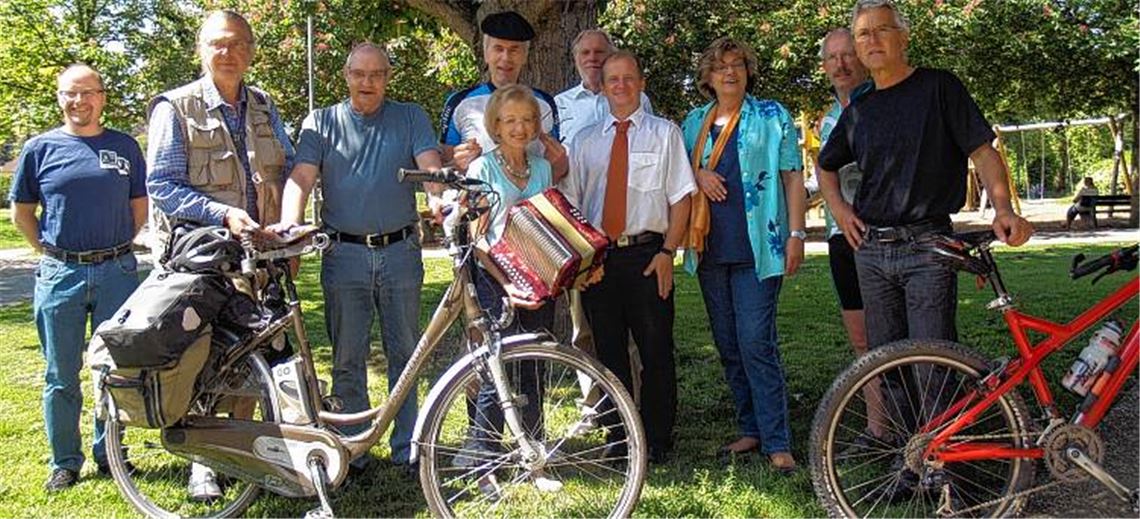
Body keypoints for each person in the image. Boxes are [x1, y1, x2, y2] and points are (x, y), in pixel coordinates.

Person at [817, 0, 1033, 496]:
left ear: (903, 37)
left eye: (882, 30)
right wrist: (842, 212)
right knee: (887, 364)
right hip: (872, 250)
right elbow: (826, 167)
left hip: (928, 246)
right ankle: (910, 464)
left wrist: (1003, 208)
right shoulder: (860, 109)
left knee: (935, 363)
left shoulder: (939, 88)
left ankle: (949, 473)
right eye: (863, 33)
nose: (872, 41)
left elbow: (983, 152)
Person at [145, 9, 294, 500]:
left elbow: (288, 166)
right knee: (203, 359)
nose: (227, 52)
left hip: (260, 260)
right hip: (204, 264)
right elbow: (162, 185)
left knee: (253, 357)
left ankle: (242, 450)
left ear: (251, 50)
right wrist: (222, 214)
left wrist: (288, 225)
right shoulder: (175, 107)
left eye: (237, 43)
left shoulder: (264, 106)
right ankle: (201, 463)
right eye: (217, 43)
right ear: (201, 50)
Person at [275, 43, 442, 475]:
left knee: (406, 353)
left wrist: (441, 199)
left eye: (376, 74)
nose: (367, 83)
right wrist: (290, 224)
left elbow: (430, 168)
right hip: (343, 254)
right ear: (346, 75)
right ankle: (354, 449)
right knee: (347, 357)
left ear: (388, 77)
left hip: (400, 253)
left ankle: (408, 447)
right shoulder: (320, 122)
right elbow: (301, 177)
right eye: (359, 74)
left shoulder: (411, 117)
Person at [9, 64, 146, 491]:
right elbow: (22, 213)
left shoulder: (124, 146)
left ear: (102, 97)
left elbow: (139, 207)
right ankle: (64, 462)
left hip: (117, 271)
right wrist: (54, 253)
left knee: (115, 369)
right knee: (60, 374)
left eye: (87, 92)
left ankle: (111, 455)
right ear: (59, 98)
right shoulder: (39, 149)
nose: (78, 101)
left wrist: (114, 246)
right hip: (60, 274)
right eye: (70, 93)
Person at [562, 51, 696, 463]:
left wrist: (668, 252)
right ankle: (619, 438)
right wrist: (585, 262)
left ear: (641, 83)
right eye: (612, 79)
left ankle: (657, 439)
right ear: (602, 87)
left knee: (656, 349)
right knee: (609, 352)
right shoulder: (585, 142)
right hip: (601, 262)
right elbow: (572, 204)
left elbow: (681, 198)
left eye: (628, 78)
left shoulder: (664, 133)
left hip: (648, 255)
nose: (620, 86)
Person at [680, 38, 803, 473]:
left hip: (759, 249)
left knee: (755, 342)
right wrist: (697, 172)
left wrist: (796, 233)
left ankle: (777, 440)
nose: (729, 72)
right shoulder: (693, 122)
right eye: (720, 66)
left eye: (737, 64)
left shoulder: (772, 115)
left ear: (749, 71)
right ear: (708, 77)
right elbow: (676, 174)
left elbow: (792, 177)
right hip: (710, 249)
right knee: (729, 344)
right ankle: (750, 428)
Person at [453, 84, 556, 472]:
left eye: (527, 120)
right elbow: (478, 240)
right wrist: (508, 284)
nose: (519, 128)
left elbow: (548, 229)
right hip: (494, 279)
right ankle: (485, 455)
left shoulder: (543, 168)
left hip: (537, 279)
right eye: (510, 120)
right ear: (495, 125)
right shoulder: (481, 169)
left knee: (535, 364)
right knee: (494, 367)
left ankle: (534, 451)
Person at [815, 28, 885, 447]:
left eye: (847, 55)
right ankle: (878, 428)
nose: (841, 65)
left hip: (886, 234)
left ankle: (919, 427)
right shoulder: (827, 120)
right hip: (842, 237)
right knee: (861, 339)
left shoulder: (884, 102)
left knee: (899, 335)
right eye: (832, 58)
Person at [439, 10, 565, 179]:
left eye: (514, 50)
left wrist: (560, 164)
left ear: (525, 56)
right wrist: (456, 164)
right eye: (498, 49)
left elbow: (556, 170)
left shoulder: (545, 103)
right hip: (477, 195)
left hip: (533, 195)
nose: (505, 58)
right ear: (486, 53)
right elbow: (443, 166)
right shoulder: (459, 103)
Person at [555, 29, 653, 146]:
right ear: (576, 59)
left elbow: (651, 139)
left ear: (611, 56)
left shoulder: (638, 98)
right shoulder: (560, 103)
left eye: (599, 52)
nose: (592, 58)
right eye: (585, 52)